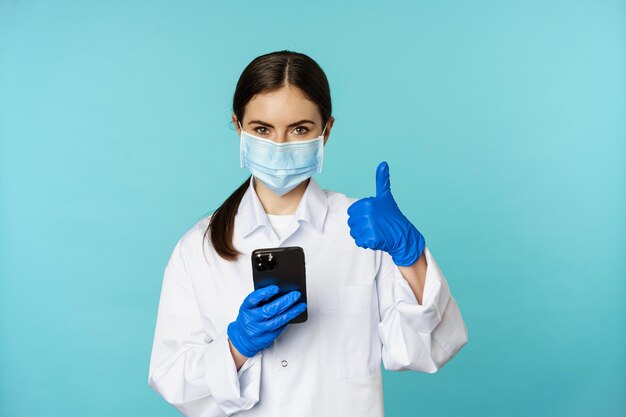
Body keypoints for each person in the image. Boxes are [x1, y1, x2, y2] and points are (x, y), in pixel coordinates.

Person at [147, 50, 468, 417]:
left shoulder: (366, 231)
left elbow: (426, 350)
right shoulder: (199, 248)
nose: (280, 145)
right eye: (262, 129)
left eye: (300, 129)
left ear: (326, 130)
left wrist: (410, 255)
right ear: (238, 127)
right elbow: (171, 378)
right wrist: (236, 348)